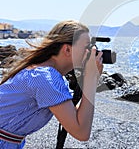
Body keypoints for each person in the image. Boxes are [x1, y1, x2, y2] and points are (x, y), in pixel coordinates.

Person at [0, 20, 103, 148]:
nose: (91, 53)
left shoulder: (44, 73)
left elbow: (75, 117)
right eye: (87, 48)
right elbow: (81, 132)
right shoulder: (46, 77)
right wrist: (90, 82)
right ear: (67, 49)